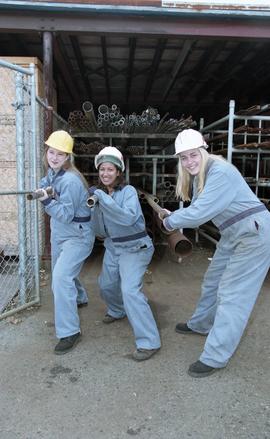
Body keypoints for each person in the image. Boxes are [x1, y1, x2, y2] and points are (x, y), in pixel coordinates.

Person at [159, 128, 270, 378]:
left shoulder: (220, 171)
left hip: (254, 232)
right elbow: (198, 207)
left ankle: (215, 356)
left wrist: (169, 222)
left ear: (203, 151)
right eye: (183, 158)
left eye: (193, 155)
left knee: (233, 294)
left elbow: (199, 214)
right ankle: (201, 324)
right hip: (232, 233)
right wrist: (171, 215)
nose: (189, 162)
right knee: (212, 281)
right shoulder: (201, 178)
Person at [89, 146, 161, 361]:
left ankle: (149, 342)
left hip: (135, 247)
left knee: (130, 290)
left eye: (110, 169)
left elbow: (128, 219)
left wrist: (103, 198)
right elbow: (100, 232)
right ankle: (117, 309)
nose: (105, 174)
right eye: (102, 169)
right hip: (113, 247)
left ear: (118, 172)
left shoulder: (127, 192)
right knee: (106, 285)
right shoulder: (100, 196)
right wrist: (94, 210)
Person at [37, 130, 95, 355]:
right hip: (60, 232)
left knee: (60, 279)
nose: (54, 157)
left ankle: (69, 332)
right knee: (59, 271)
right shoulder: (53, 173)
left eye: (60, 154)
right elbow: (47, 182)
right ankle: (79, 297)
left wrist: (47, 201)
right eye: (52, 152)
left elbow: (66, 215)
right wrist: (46, 189)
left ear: (67, 157)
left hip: (77, 234)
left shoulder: (71, 180)